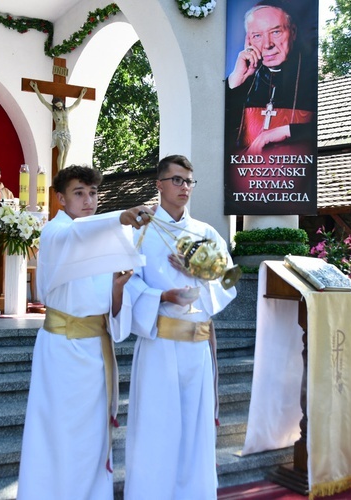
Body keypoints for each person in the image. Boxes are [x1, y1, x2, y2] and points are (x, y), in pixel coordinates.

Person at [17, 165, 153, 500]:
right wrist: (122, 218)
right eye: (79, 193)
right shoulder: (55, 232)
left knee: (93, 435)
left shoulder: (100, 237)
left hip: (95, 350)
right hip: (62, 350)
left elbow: (106, 304)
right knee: (59, 434)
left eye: (93, 193)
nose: (88, 200)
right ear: (61, 198)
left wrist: (118, 289)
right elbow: (76, 236)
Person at [123, 155, 237, 499]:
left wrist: (198, 273)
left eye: (189, 181)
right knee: (155, 425)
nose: (184, 187)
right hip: (160, 341)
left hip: (197, 346)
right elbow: (126, 283)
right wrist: (162, 295)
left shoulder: (205, 232)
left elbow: (230, 280)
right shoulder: (140, 233)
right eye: (176, 180)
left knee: (195, 428)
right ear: (159, 185)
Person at [226, 1, 314, 155]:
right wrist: (235, 82)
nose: (267, 44)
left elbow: (327, 130)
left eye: (275, 32)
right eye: (257, 35)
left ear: (293, 32)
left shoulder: (312, 74)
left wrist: (286, 130)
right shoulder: (245, 80)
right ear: (249, 41)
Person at [29, 80, 87, 172]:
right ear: (55, 106)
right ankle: (60, 171)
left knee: (67, 151)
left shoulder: (67, 110)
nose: (60, 107)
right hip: (59, 133)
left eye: (60, 105)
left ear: (62, 104)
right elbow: (43, 101)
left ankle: (63, 171)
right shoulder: (53, 110)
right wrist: (36, 89)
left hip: (67, 133)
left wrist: (81, 95)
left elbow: (76, 104)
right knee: (62, 150)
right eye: (58, 106)